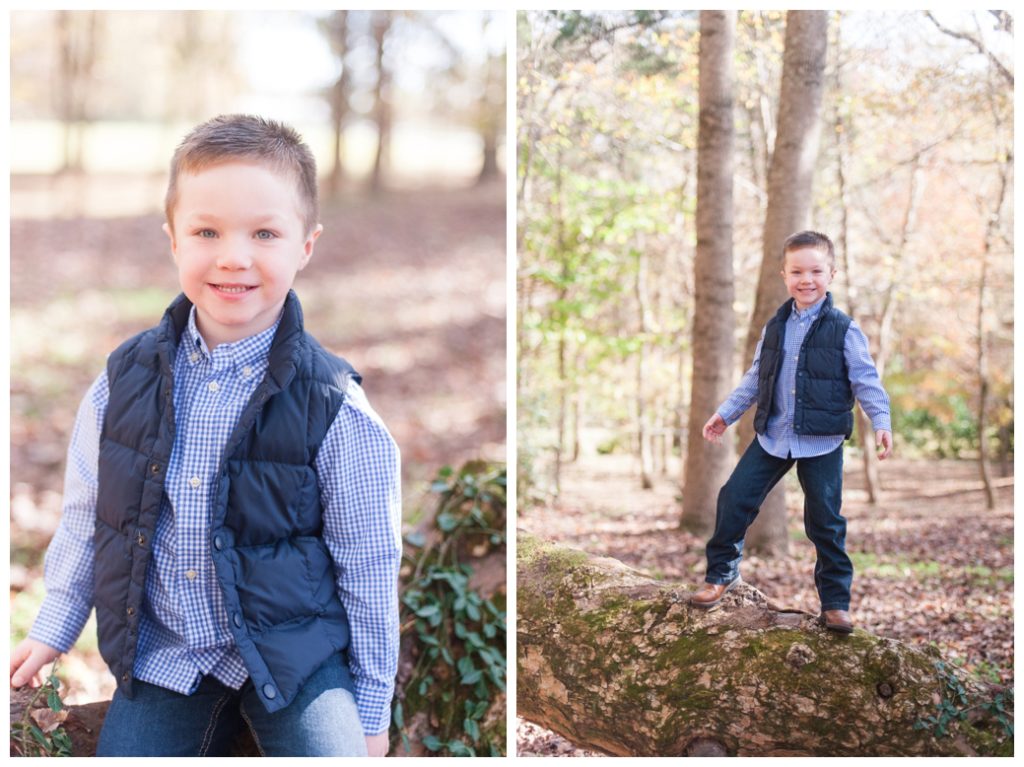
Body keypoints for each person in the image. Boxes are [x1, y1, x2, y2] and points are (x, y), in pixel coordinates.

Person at [9, 115, 402, 756]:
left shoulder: (334, 406)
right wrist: (54, 628)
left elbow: (370, 563)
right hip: (168, 655)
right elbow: (90, 516)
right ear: (173, 240)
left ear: (306, 245)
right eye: (206, 231)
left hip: (294, 656)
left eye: (265, 233)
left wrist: (370, 705)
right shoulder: (122, 381)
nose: (233, 255)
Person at [691, 230, 892, 633]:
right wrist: (725, 414)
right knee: (735, 498)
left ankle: (835, 604)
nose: (806, 279)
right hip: (773, 435)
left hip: (821, 441)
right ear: (784, 274)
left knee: (825, 521)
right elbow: (754, 378)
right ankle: (720, 576)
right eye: (797, 271)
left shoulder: (844, 329)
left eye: (816, 271)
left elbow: (866, 381)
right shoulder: (775, 327)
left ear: (831, 274)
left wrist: (881, 420)